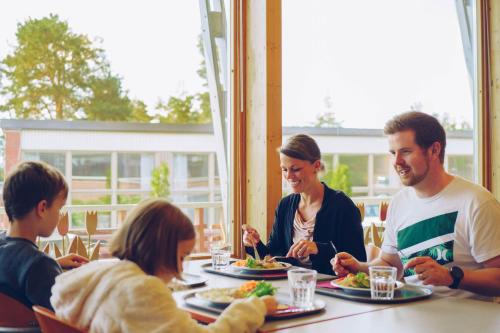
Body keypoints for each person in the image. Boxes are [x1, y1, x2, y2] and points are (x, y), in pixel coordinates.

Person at [332, 111, 500, 300]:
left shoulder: (476, 202)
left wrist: (450, 277)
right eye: (393, 153)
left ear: (434, 150)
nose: (397, 162)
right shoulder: (399, 203)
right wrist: (358, 267)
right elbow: (390, 265)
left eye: (405, 151)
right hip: (409, 318)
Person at [51, 199, 277, 333]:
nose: (180, 268)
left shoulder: (99, 274)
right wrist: (254, 307)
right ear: (161, 251)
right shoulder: (142, 291)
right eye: (181, 257)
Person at [243, 134, 366, 275]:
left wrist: (318, 248)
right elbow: (274, 256)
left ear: (316, 165)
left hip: (330, 291)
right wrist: (255, 243)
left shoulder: (343, 206)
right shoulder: (285, 205)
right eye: (284, 169)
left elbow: (358, 262)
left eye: (295, 169)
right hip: (291, 285)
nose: (288, 176)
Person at [0, 161, 88, 310]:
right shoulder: (39, 265)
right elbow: (70, 313)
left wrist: (54, 264)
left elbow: (14, 268)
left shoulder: (6, 247)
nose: (59, 215)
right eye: (59, 208)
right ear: (42, 208)